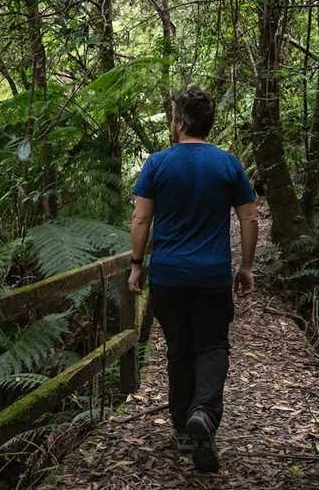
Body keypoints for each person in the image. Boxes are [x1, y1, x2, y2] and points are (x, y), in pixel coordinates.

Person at [127, 86, 259, 472]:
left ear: (180, 122)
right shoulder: (229, 164)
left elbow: (140, 219)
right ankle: (203, 413)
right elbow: (249, 217)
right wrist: (246, 266)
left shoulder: (156, 164)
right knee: (213, 347)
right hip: (211, 277)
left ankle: (184, 427)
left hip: (168, 276)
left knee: (180, 349)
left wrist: (137, 264)